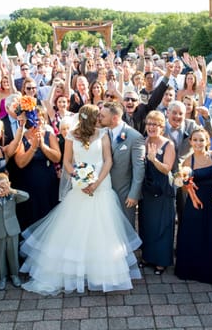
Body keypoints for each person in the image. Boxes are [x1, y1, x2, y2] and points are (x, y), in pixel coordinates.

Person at [19, 104, 142, 295]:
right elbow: (67, 161)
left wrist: (97, 181)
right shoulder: (71, 136)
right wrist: (79, 178)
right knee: (77, 229)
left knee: (102, 230)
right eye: (97, 116)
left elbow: (108, 160)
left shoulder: (103, 134)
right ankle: (74, 272)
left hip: (101, 185)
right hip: (80, 186)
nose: (100, 119)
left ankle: (99, 274)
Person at [175, 128, 212, 286]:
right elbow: (183, 187)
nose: (198, 143)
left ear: (207, 141)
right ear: (191, 142)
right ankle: (194, 270)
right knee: (194, 234)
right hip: (196, 202)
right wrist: (184, 182)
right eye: (195, 140)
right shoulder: (187, 162)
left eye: (202, 140)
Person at [138, 111, 176, 275]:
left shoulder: (168, 144)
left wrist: (154, 159)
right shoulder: (143, 141)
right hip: (147, 188)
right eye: (149, 124)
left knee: (162, 225)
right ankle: (147, 257)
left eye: (155, 124)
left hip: (162, 190)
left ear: (162, 127)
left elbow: (167, 168)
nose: (151, 127)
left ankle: (161, 261)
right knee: (147, 224)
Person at [165, 100, 212, 223]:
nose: (177, 116)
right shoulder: (161, 127)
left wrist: (207, 118)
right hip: (164, 172)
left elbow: (209, 134)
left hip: (185, 173)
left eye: (180, 113)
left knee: (185, 210)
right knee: (166, 212)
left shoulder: (191, 125)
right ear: (167, 113)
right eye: (174, 113)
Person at [97, 102, 145, 228]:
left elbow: (139, 168)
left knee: (125, 227)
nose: (99, 118)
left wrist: (134, 194)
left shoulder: (135, 137)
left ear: (114, 118)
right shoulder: (101, 133)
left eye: (102, 116)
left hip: (124, 193)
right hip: (103, 190)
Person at [13, 105, 61, 229]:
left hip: (48, 183)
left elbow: (57, 157)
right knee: (32, 216)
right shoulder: (22, 138)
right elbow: (20, 163)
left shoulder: (49, 135)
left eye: (41, 119)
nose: (38, 122)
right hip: (29, 184)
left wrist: (43, 146)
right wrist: (33, 147)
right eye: (36, 119)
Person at [0, 172, 30, 291]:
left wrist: (12, 190)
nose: (1, 190)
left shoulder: (13, 196)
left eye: (3, 187)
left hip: (12, 230)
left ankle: (15, 275)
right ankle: (2, 277)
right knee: (0, 255)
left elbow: (26, 196)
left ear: (9, 184)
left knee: (13, 254)